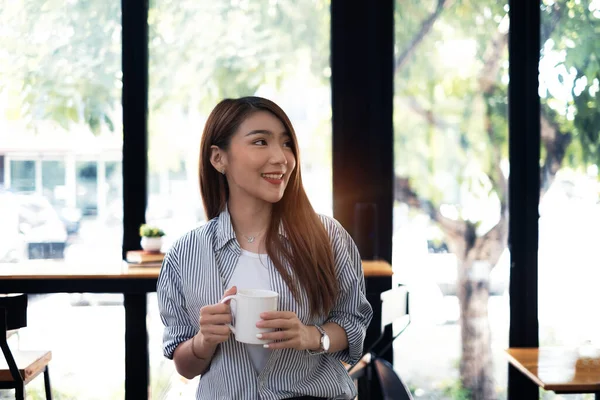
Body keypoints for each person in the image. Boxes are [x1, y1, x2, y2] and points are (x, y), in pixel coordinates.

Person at [157, 96, 373, 400]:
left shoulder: (327, 236)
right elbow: (186, 366)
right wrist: (203, 341)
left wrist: (311, 336)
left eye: (286, 144)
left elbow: (353, 325)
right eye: (261, 142)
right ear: (219, 158)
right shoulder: (185, 254)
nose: (281, 158)